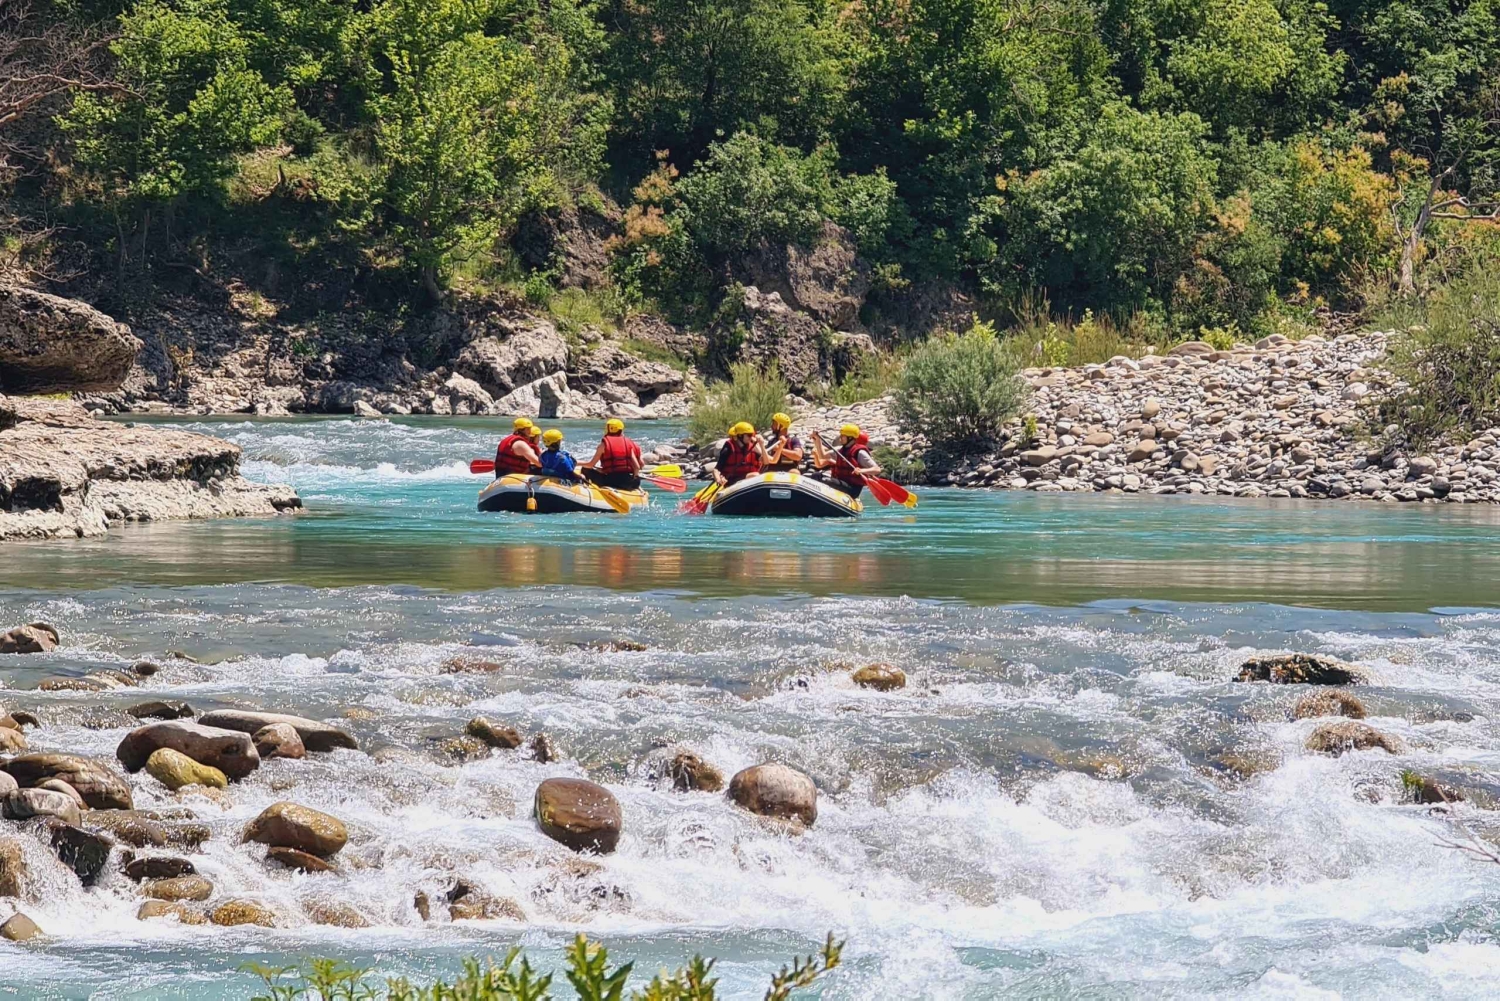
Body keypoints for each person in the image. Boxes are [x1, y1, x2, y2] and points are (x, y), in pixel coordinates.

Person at [812, 422, 881, 498]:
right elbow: (822, 456)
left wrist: (861, 471)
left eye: (843, 436)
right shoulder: (840, 450)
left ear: (850, 438)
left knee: (824, 480)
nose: (840, 438)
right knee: (816, 475)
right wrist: (817, 440)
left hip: (852, 489)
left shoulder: (860, 453)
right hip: (840, 483)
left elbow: (877, 469)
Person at [579, 418, 643, 489]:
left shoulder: (603, 445)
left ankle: (585, 488)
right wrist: (635, 477)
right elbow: (637, 467)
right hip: (629, 483)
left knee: (585, 469)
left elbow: (590, 465)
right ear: (621, 430)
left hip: (611, 481)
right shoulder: (627, 443)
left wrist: (576, 463)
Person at [714, 421, 766, 486]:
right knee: (755, 475)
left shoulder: (753, 447)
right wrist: (718, 479)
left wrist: (761, 445)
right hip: (731, 480)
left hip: (747, 480)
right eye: (749, 435)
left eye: (752, 435)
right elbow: (716, 469)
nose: (751, 437)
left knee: (757, 475)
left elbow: (766, 462)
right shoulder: (728, 448)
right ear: (740, 436)